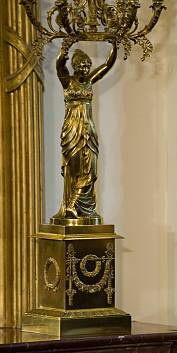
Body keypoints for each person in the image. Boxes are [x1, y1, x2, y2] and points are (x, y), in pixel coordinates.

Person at [52, 40, 117, 224]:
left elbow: (106, 66)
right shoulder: (68, 81)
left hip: (88, 129)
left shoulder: (89, 81)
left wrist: (114, 46)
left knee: (91, 170)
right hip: (72, 130)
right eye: (83, 64)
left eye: (88, 65)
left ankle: (82, 208)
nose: (86, 68)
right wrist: (64, 51)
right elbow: (59, 66)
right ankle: (70, 206)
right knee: (74, 168)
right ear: (75, 66)